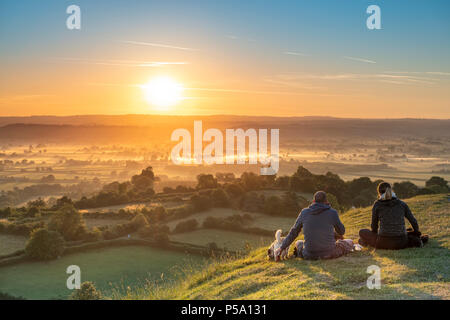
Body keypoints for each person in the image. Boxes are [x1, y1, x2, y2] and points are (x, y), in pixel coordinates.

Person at [275, 191, 353, 260]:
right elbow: (342, 231)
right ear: (326, 201)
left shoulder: (304, 212)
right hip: (330, 253)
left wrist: (281, 248)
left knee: (298, 242)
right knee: (350, 241)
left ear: (313, 201)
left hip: (308, 255)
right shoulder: (332, 212)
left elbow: (294, 232)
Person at [358, 182, 421, 249]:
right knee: (409, 231)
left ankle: (365, 242)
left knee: (362, 232)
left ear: (379, 193)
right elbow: (413, 221)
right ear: (391, 190)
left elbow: (374, 226)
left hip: (383, 242)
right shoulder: (402, 204)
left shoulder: (377, 205)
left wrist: (375, 235)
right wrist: (417, 232)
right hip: (402, 242)